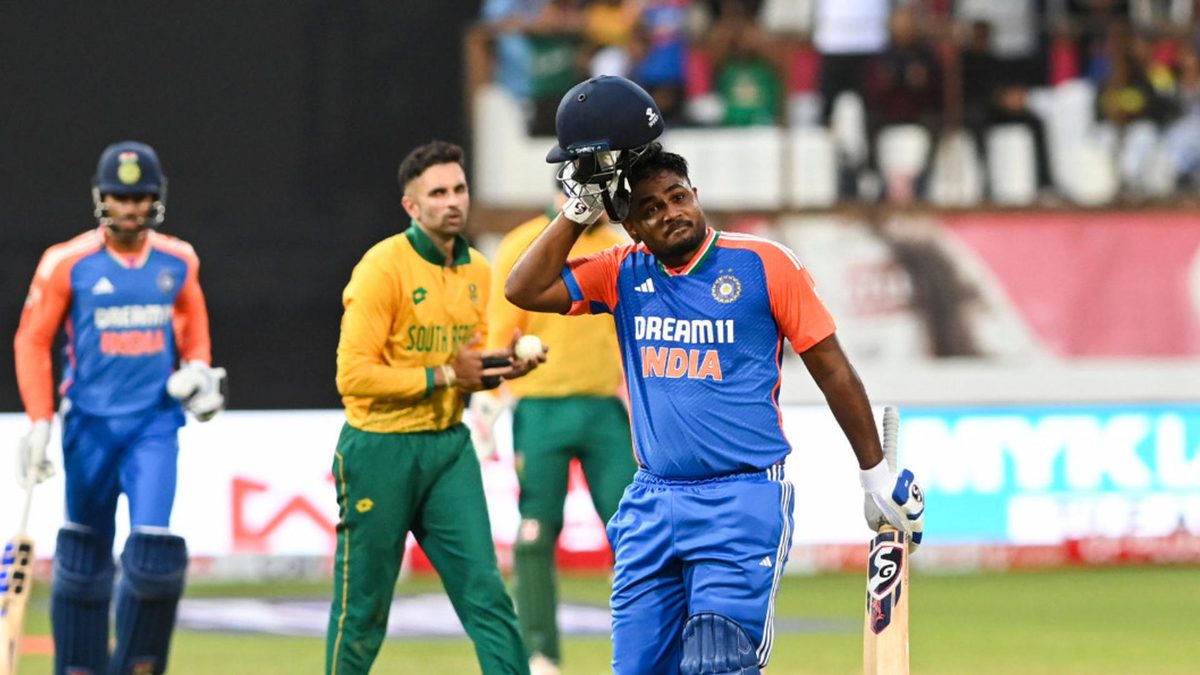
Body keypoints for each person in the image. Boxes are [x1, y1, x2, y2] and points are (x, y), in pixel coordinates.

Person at [506, 79, 924, 673]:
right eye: (650, 209)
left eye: (678, 197)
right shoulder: (621, 272)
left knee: (718, 662)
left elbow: (832, 370)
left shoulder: (764, 264)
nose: (670, 213)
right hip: (651, 502)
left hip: (742, 498)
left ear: (696, 193)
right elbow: (523, 289)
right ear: (631, 228)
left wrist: (874, 474)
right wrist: (580, 209)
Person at [327, 140, 544, 674]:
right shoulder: (382, 268)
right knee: (363, 613)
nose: (454, 201)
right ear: (411, 207)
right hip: (379, 448)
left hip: (447, 447)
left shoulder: (477, 270)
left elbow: (464, 361)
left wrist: (498, 369)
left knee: (488, 599)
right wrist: (448, 374)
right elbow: (352, 376)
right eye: (438, 192)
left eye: (460, 189)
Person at [14, 140, 226, 675]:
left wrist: (199, 372)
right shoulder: (68, 262)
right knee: (84, 561)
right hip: (88, 428)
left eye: (140, 197)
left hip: (154, 425)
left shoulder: (179, 260)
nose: (130, 208)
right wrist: (40, 418)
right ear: (101, 198)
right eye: (119, 196)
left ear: (156, 199)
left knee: (154, 558)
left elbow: (194, 327)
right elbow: (32, 341)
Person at [481, 187, 637, 675]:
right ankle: (539, 654)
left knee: (636, 532)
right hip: (539, 409)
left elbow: (630, 333)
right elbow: (500, 329)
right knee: (535, 533)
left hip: (602, 409)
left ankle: (645, 647)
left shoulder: (617, 245)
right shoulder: (522, 242)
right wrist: (487, 403)